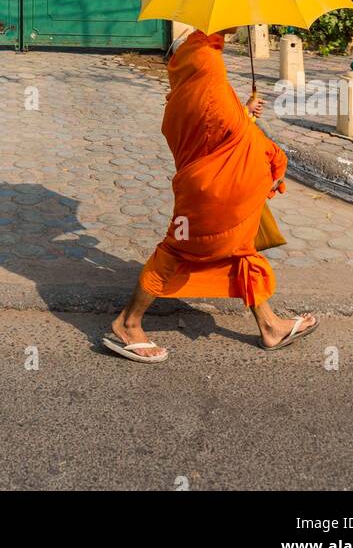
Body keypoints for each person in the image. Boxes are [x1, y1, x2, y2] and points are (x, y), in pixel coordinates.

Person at [104, 28, 318, 362]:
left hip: (225, 189)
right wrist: (263, 147)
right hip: (211, 192)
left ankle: (271, 326)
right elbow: (225, 131)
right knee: (176, 251)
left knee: (240, 248)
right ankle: (127, 323)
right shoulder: (207, 64)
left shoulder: (190, 85)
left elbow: (217, 128)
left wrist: (244, 111)